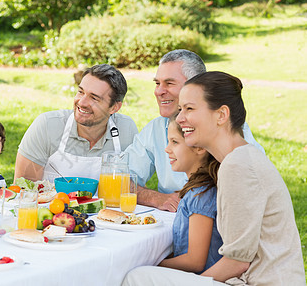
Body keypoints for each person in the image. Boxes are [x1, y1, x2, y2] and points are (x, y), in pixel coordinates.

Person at [122, 71, 305, 285]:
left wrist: (187, 280)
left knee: (137, 276)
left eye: (189, 109)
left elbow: (237, 262)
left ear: (221, 115)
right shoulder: (237, 159)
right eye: (180, 109)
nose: (180, 118)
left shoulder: (238, 166)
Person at [125, 49, 264, 212]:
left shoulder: (228, 130)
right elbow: (119, 177)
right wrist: (157, 198)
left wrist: (194, 201)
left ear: (195, 86)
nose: (159, 91)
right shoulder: (155, 128)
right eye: (157, 83)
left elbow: (251, 187)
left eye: (169, 83)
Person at [14, 64, 138, 182]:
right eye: (81, 92)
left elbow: (133, 189)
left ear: (114, 107)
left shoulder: (126, 130)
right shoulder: (47, 126)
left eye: (94, 98)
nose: (82, 102)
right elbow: (23, 189)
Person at [159, 115, 222, 273]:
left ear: (199, 148)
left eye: (175, 142)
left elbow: (195, 262)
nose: (167, 149)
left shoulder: (200, 195)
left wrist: (152, 263)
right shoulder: (196, 189)